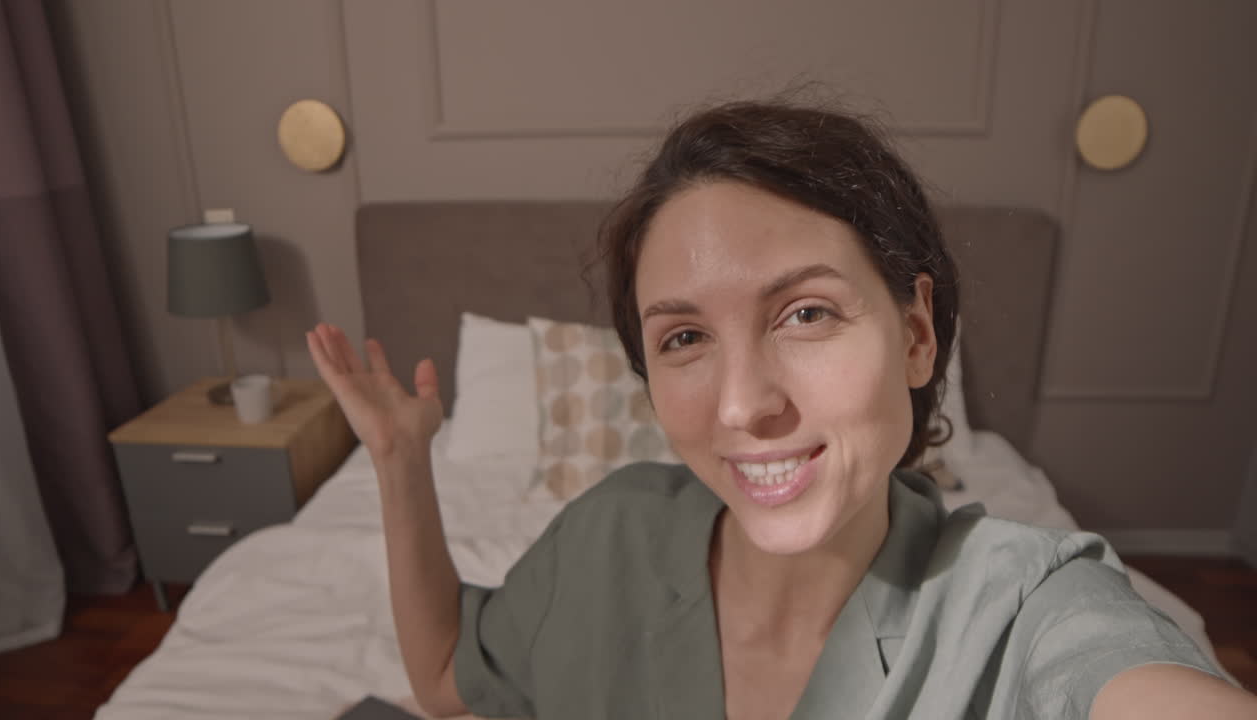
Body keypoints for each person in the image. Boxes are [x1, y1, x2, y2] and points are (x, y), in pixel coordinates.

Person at [307, 99, 1257, 719]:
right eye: (683, 338)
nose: (743, 405)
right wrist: (399, 460)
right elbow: (444, 683)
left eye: (805, 313)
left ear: (918, 334)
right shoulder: (610, 535)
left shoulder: (1021, 606)